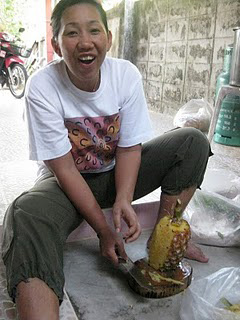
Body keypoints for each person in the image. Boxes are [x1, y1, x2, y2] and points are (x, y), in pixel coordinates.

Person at [1, 0, 211, 319]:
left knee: (191, 142)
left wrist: (125, 198)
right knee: (24, 213)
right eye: (72, 32)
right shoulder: (42, 87)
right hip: (65, 185)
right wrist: (103, 230)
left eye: (94, 30)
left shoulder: (124, 75)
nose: (85, 41)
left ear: (108, 39)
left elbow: (128, 148)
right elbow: (64, 169)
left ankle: (166, 249)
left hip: (115, 174)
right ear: (56, 42)